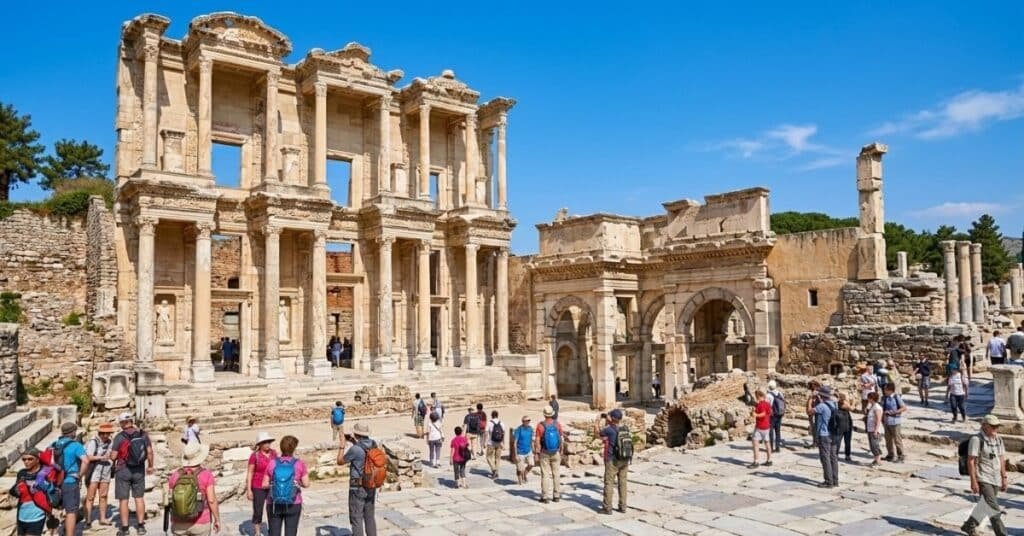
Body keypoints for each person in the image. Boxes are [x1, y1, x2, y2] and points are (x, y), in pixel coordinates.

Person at [961, 415, 1008, 536]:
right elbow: (971, 461)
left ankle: (969, 526)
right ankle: (1002, 534)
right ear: (984, 426)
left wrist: (1004, 477)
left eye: (997, 426)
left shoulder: (998, 439)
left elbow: (1001, 458)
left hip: (996, 478)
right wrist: (973, 481)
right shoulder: (977, 439)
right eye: (993, 426)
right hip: (983, 477)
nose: (995, 429)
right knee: (993, 509)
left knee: (985, 504)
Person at [109, 412, 154, 536]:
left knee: (124, 500)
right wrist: (150, 466)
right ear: (131, 421)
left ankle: (124, 528)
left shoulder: (119, 437)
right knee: (139, 498)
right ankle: (140, 526)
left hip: (123, 470)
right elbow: (149, 452)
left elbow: (113, 456)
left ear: (122, 423)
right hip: (139, 470)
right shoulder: (143, 434)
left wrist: (112, 456)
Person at [167, 441, 220, 536]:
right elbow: (211, 500)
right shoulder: (206, 475)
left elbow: (170, 498)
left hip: (179, 523)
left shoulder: (175, 475)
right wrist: (217, 519)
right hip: (201, 522)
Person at [263, 435, 309, 536]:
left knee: (274, 533)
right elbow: (306, 484)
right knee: (291, 533)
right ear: (294, 448)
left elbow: (264, 484)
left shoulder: (272, 463)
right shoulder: (299, 464)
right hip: (294, 502)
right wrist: (297, 483)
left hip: (274, 503)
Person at [340, 423, 380, 536]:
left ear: (356, 434)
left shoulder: (355, 449)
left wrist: (342, 445)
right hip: (371, 482)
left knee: (356, 517)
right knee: (369, 516)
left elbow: (340, 461)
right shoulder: (373, 444)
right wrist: (354, 441)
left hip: (357, 484)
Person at [53, 422, 88, 536]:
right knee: (71, 511)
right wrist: (80, 474)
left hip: (57, 481)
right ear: (73, 432)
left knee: (60, 507)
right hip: (70, 481)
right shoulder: (75, 445)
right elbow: (86, 460)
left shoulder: (55, 444)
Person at [8, 448, 51, 536]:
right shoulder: (21, 473)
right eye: (24, 459)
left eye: (30, 459)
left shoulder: (44, 472)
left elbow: (48, 491)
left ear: (37, 460)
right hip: (21, 516)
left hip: (36, 517)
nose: (26, 462)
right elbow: (15, 491)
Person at [596, 409, 630, 514]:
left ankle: (607, 507)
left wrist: (597, 421)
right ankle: (622, 506)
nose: (608, 416)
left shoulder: (609, 430)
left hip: (612, 460)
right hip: (624, 459)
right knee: (622, 483)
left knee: (609, 483)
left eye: (610, 416)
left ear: (613, 418)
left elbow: (597, 434)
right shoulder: (625, 428)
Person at [83, 423, 115, 530]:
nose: (106, 435)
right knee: (90, 496)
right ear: (100, 433)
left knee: (103, 495)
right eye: (104, 433)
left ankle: (102, 518)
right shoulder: (94, 442)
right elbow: (88, 456)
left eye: (108, 433)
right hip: (94, 471)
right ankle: (88, 520)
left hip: (106, 470)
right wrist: (100, 457)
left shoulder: (111, 442)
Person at [245, 432, 276, 536]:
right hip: (258, 486)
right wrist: (249, 489)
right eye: (265, 442)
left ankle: (272, 530)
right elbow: (250, 472)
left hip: (271, 485)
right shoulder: (255, 456)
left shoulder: (274, 453)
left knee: (272, 509)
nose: (267, 444)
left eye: (269, 442)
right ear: (260, 444)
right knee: (258, 510)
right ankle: (257, 532)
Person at [807, 385, 838, 488]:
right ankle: (835, 480)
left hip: (824, 434)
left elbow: (809, 411)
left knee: (825, 458)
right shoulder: (834, 404)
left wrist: (810, 399)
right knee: (833, 457)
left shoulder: (822, 406)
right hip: (833, 433)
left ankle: (828, 481)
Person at [534, 405, 564, 503]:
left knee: (545, 475)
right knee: (556, 474)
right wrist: (561, 450)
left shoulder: (540, 426)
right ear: (552, 414)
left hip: (544, 452)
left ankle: (545, 496)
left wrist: (536, 453)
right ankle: (556, 496)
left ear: (544, 414)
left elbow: (537, 441)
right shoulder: (557, 424)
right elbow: (561, 438)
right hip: (556, 452)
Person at [881, 383, 906, 462]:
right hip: (886, 421)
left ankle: (901, 455)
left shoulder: (896, 397)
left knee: (897, 439)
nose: (884, 391)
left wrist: (894, 412)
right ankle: (890, 454)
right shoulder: (884, 398)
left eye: (886, 389)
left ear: (890, 390)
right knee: (888, 439)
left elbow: (903, 408)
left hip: (895, 421)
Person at [749, 390, 772, 469]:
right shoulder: (767, 404)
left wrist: (755, 414)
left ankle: (756, 461)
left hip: (760, 426)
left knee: (755, 444)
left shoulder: (760, 404)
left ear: (758, 396)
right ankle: (769, 460)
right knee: (767, 443)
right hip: (767, 426)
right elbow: (769, 413)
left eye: (756, 397)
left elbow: (763, 413)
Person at [510, 416, 534, 484]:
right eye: (526, 420)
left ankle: (525, 474)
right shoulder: (518, 430)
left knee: (531, 464)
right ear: (523, 421)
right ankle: (520, 481)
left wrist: (533, 450)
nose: (528, 422)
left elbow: (531, 440)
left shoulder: (530, 429)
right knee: (520, 469)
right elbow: (515, 442)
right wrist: (516, 454)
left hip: (528, 450)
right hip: (520, 451)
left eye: (529, 420)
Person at [865, 392, 884, 466]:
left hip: (875, 429)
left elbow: (878, 419)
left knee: (875, 445)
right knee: (872, 445)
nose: (867, 399)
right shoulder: (872, 406)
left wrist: (876, 430)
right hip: (870, 428)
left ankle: (878, 460)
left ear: (872, 399)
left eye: (869, 398)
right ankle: (876, 459)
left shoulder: (877, 407)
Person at [834, 393, 854, 463]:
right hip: (846, 423)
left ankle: (836, 454)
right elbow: (852, 408)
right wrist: (853, 401)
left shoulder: (836, 404)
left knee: (839, 440)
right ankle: (847, 455)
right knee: (846, 441)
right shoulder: (843, 404)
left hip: (841, 423)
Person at [484, 410, 504, 479]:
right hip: (499, 443)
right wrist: (503, 442)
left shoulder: (489, 423)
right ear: (497, 415)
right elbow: (503, 433)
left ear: (491, 415)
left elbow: (486, 433)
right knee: (497, 458)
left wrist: (484, 442)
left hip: (491, 443)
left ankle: (494, 469)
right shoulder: (501, 423)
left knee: (489, 457)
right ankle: (496, 472)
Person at [766, 380, 785, 452]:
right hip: (779, 414)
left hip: (772, 415)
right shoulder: (780, 393)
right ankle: (778, 447)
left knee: (770, 431)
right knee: (778, 431)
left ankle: (771, 447)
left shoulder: (768, 395)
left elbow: (767, 406)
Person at [805, 380, 822, 448]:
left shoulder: (819, 393)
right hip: (813, 413)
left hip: (817, 413)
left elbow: (821, 402)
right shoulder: (813, 392)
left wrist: (814, 396)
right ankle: (816, 442)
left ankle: (816, 443)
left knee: (816, 428)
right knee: (814, 427)